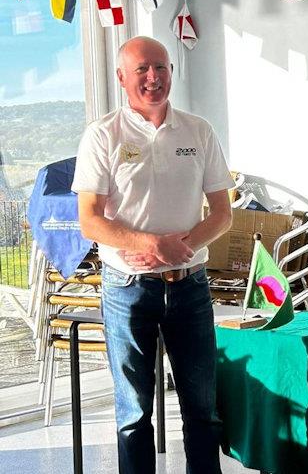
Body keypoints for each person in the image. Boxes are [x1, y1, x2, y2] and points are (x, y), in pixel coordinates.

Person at [72, 36, 234, 474]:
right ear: (122, 78)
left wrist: (183, 247)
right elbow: (89, 219)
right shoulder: (103, 134)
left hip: (191, 288)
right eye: (142, 69)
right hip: (127, 289)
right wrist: (148, 244)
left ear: (171, 73)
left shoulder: (198, 131)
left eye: (160, 67)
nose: (153, 77)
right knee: (133, 414)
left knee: (202, 408)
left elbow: (222, 213)